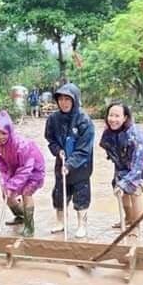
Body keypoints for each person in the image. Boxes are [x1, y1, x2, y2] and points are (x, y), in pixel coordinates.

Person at [99, 102, 143, 236]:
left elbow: (138, 166)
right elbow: (114, 156)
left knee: (134, 189)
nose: (113, 119)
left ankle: (136, 226)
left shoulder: (136, 135)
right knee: (119, 189)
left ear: (125, 118)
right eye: (110, 115)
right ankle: (128, 218)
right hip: (124, 165)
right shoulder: (108, 133)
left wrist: (125, 182)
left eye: (117, 116)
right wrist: (119, 182)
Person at [44, 82, 95, 238]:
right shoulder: (53, 119)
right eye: (61, 99)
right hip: (61, 161)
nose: (64, 103)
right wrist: (57, 151)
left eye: (68, 99)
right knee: (59, 193)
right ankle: (61, 222)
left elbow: (84, 149)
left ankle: (81, 225)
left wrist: (70, 164)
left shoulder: (84, 121)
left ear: (75, 100)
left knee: (81, 195)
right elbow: (50, 139)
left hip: (81, 166)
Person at [0, 110, 46, 237]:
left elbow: (26, 169)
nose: (0, 137)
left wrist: (12, 185)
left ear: (10, 132)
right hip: (14, 167)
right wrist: (6, 183)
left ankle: (29, 227)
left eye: (4, 133)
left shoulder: (22, 145)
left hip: (33, 169)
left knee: (27, 193)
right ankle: (21, 216)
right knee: (7, 196)